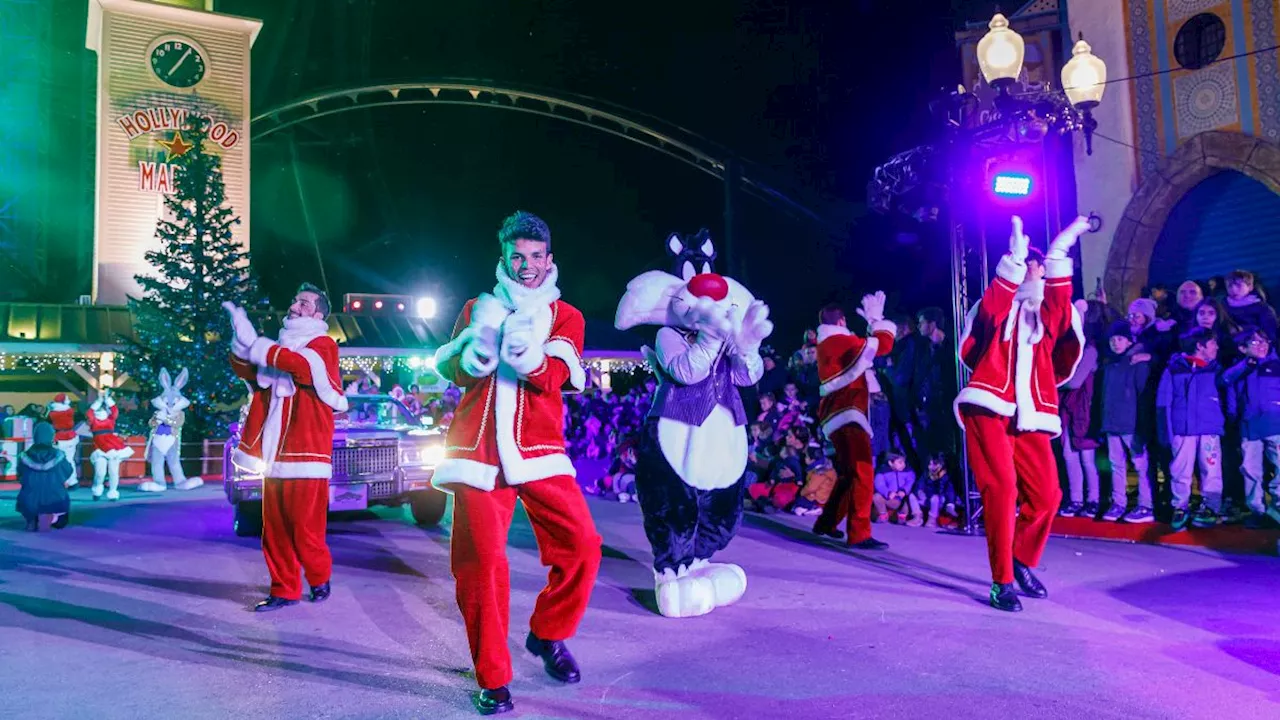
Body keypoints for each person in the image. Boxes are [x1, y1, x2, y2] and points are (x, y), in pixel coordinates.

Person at [431, 211, 599, 715]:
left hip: (539, 450)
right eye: (516, 256)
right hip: (478, 452)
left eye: (535, 256)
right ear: (502, 258)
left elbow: (557, 376)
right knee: (479, 566)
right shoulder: (476, 308)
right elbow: (455, 371)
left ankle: (548, 633)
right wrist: (472, 356)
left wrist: (527, 355)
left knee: (583, 545)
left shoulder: (565, 315)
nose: (526, 265)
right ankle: (493, 676)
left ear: (550, 259)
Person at [955, 215, 1089, 612]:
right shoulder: (997, 305)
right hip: (988, 406)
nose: (1037, 271)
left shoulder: (1047, 315)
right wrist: (1014, 261)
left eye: (1040, 268)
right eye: (1031, 265)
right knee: (1002, 489)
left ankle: (1020, 559)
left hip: (1030, 414)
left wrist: (1060, 252)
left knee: (1048, 494)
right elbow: (992, 309)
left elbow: (1061, 312)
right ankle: (1002, 582)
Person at [223, 283, 347, 613]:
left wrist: (258, 345)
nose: (295, 305)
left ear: (318, 313)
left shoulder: (323, 345)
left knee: (306, 530)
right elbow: (247, 369)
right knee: (274, 530)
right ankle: (284, 588)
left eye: (303, 302)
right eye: (295, 299)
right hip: (275, 454)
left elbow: (303, 368)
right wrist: (241, 338)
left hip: (307, 455)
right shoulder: (280, 347)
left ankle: (319, 577)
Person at [811, 294, 896, 548]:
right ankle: (859, 533)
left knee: (849, 473)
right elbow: (882, 346)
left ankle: (826, 523)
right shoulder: (838, 340)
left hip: (839, 415)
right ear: (842, 321)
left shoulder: (828, 342)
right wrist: (876, 320)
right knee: (862, 470)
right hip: (847, 414)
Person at [1156, 327, 1225, 531]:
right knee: (1180, 469)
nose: (1217, 347)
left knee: (1210, 468)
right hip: (1182, 428)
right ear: (1200, 346)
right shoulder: (1174, 369)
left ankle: (1211, 506)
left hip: (1209, 427)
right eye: (1212, 343)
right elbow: (1163, 402)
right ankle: (1180, 505)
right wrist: (1165, 431)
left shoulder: (1217, 369)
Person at [1223, 328, 1280, 527]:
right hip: (1249, 425)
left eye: (1264, 342)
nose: (1262, 346)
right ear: (1243, 348)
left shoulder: (1276, 364)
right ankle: (1257, 510)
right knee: (1250, 468)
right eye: (1255, 343)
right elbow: (1226, 381)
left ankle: (1278, 505)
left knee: (1279, 464)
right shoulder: (1240, 368)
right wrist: (1247, 363)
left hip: (1275, 424)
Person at [16, 422, 74, 531]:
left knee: (27, 497)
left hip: (30, 497)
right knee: (61, 519)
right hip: (54, 496)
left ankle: (31, 519)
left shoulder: (25, 456)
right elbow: (68, 471)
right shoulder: (58, 455)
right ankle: (53, 518)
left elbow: (20, 473)